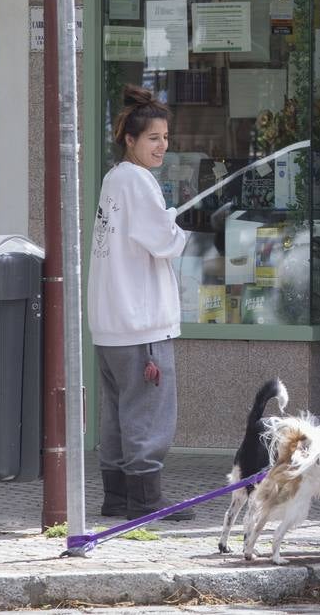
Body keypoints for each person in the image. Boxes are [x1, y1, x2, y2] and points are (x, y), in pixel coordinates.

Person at [87, 85, 193, 522]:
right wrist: (175, 224)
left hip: (111, 324)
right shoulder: (139, 182)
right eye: (153, 138)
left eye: (165, 138)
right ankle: (147, 502)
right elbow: (163, 242)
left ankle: (117, 497)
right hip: (142, 325)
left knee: (116, 414)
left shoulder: (114, 178)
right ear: (129, 140)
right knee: (148, 414)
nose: (162, 146)